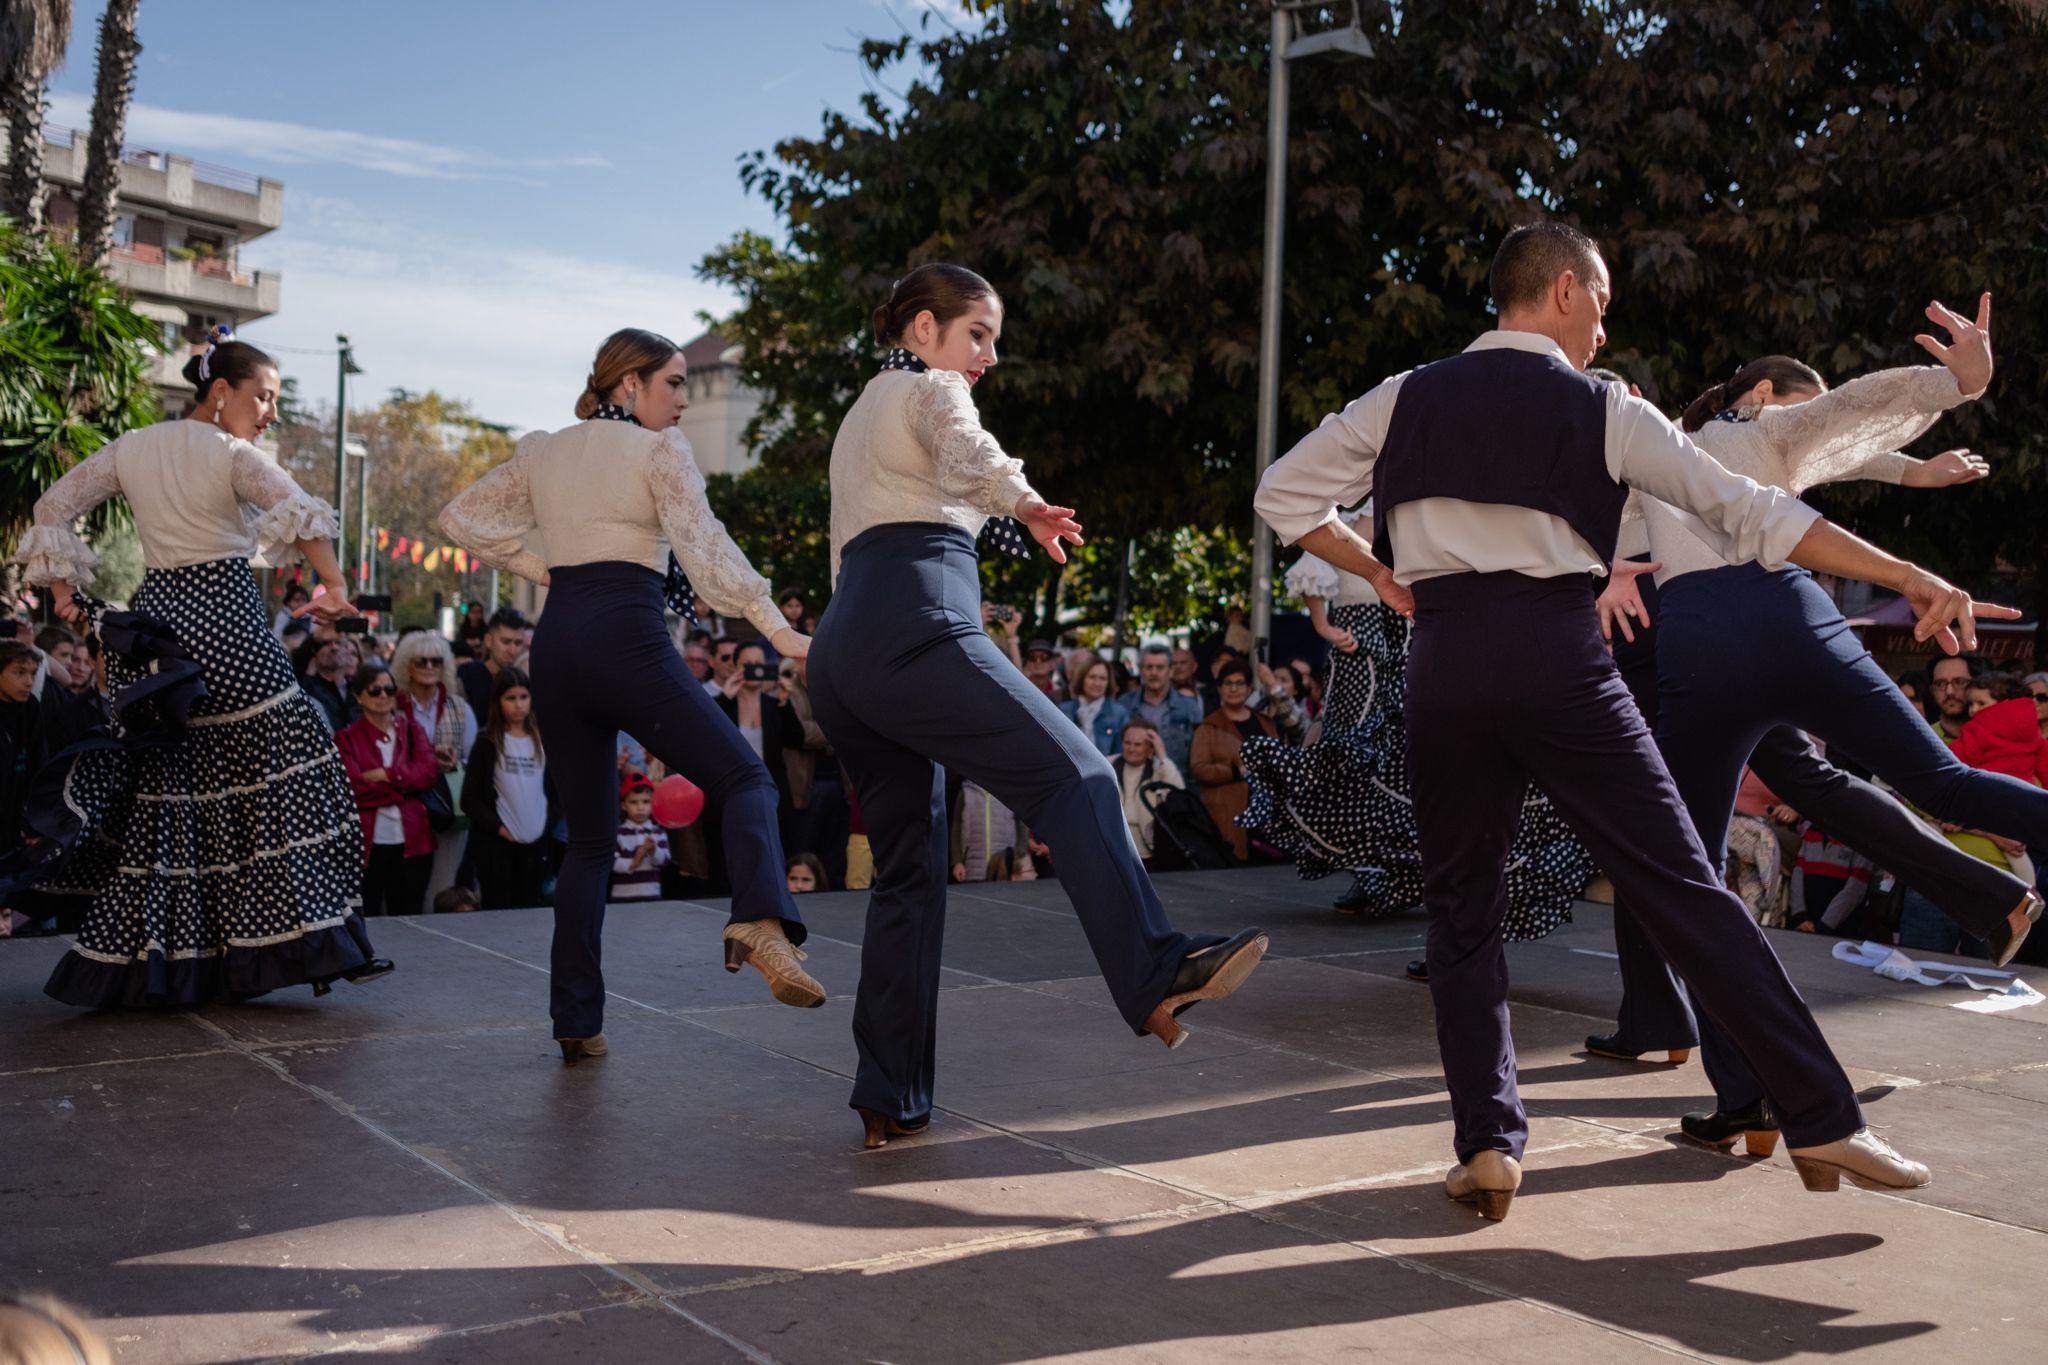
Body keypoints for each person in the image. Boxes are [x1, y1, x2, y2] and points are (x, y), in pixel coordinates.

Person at [1254, 221, 1995, 1212]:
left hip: (1446, 662)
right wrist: (1903, 571)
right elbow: (1755, 514)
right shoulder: (1601, 407)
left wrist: (1380, 574)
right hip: (1558, 661)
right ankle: (1823, 1119)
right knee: (1683, 888)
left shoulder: (1405, 396)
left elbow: (1281, 493)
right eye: (1598, 308)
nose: (1602, 332)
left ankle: (1486, 1143)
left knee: (1460, 911)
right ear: (1562, 292)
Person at [808, 263, 1268, 1149]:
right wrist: (1023, 503)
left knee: (906, 875)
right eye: (976, 331)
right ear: (921, 332)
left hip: (848, 648)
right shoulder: (930, 388)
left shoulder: (857, 416)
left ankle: (888, 1092)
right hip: (917, 623)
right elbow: (968, 449)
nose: (988, 353)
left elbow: (853, 543)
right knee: (1081, 776)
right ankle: (1156, 969)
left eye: (993, 338)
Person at [1594, 304, 2048, 1140]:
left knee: (1687, 883)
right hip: (1787, 621)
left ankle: (1746, 1095)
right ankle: (1743, 1088)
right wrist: (1959, 383)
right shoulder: (1764, 429)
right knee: (1941, 781)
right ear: (1765, 393)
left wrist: (1606, 574)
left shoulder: (1657, 452)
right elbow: (1850, 415)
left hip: (1699, 647)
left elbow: (1850, 442)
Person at [439, 327, 822, 1064]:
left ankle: (576, 1021)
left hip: (559, 646)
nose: (682, 398)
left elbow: (459, 519)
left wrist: (541, 565)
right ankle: (761, 920)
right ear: (627, 385)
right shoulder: (659, 452)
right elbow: (706, 547)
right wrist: (776, 629)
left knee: (587, 843)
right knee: (744, 776)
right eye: (672, 383)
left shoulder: (544, 448)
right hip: (626, 636)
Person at [12, 332, 390, 1005]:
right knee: (295, 759)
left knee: (178, 792)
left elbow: (52, 507)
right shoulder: (233, 452)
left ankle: (177, 961)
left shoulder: (131, 447)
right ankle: (303, 938)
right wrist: (333, 587)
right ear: (222, 392)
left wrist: (67, 597)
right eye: (264, 395)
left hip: (157, 638)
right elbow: (297, 510)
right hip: (226, 623)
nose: (271, 409)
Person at [336, 661, 439, 917]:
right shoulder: (346, 738)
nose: (383, 696)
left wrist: (385, 775)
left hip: (413, 841)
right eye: (374, 690)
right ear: (359, 696)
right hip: (368, 844)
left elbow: (428, 772)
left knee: (409, 913)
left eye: (388, 690)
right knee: (366, 913)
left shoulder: (413, 730)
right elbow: (353, 787)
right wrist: (402, 789)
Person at [390, 630, 477, 899]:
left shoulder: (459, 707)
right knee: (405, 886)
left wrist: (452, 761)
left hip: (446, 808)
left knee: (444, 881)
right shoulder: (392, 706)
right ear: (407, 665)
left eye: (436, 661)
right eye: (421, 661)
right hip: (404, 808)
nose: (429, 667)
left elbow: (469, 757)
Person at [462, 667, 554, 912]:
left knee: (529, 910)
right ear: (498, 701)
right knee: (499, 911)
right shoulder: (487, 742)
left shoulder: (543, 740)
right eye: (510, 698)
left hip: (535, 845)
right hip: (498, 846)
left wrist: (545, 828)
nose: (518, 705)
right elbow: (470, 799)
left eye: (524, 697)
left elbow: (555, 792)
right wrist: (499, 829)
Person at [1189, 661, 1278, 861]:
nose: (1234, 688)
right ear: (1219, 689)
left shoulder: (1265, 721)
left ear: (1249, 689)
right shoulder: (1209, 726)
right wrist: (1235, 771)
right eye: (1228, 683)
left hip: (1267, 811)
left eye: (1240, 683)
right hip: (1228, 813)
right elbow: (1198, 768)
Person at [1112, 716, 1184, 867]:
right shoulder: (1107, 765)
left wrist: (1162, 753)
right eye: (1127, 743)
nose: (1131, 749)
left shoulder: (1160, 771)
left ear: (1150, 748)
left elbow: (1178, 793)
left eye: (1138, 744)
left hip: (1147, 853)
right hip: (1113, 851)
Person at [1955, 671, 2048, 785]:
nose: (1973, 709)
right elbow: (2045, 766)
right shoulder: (2032, 730)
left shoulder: (1977, 730)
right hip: (2023, 794)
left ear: (2005, 703)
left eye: (1981, 703)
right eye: (1971, 703)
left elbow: (1953, 762)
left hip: (1985, 791)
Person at [1123, 644, 1203, 772]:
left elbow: (1198, 753)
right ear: (1141, 670)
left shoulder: (1189, 707)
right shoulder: (1124, 704)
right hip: (1131, 783)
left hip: (1177, 784)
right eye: (1149, 667)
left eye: (1160, 667)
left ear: (1171, 671)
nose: (1154, 673)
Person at [457, 607, 530, 722]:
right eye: (506, 642)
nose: (512, 650)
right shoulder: (467, 676)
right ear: (488, 641)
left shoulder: (527, 680)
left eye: (518, 643)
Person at [612, 773, 670, 901]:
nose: (640, 807)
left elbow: (664, 861)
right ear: (623, 805)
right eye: (633, 802)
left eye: (645, 802)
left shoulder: (658, 832)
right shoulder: (618, 833)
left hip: (651, 895)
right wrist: (633, 862)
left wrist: (654, 851)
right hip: (622, 897)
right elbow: (611, 862)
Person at [1058, 656, 1131, 757]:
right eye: (1092, 677)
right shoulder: (1063, 711)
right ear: (1082, 679)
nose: (1097, 683)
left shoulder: (1119, 713)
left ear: (1108, 682)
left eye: (1102, 679)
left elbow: (1120, 754)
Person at [1926, 654, 1979, 743]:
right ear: (1932, 691)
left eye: (1959, 682)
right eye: (1940, 684)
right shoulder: (1924, 740)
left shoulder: (1996, 737)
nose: (1949, 692)